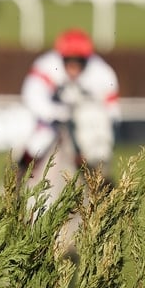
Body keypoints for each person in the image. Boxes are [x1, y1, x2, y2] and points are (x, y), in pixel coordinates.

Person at [16, 27, 121, 187]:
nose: (73, 67)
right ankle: (19, 177)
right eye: (69, 60)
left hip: (84, 120)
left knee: (97, 148)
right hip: (52, 120)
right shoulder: (46, 66)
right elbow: (33, 97)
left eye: (79, 61)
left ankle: (100, 184)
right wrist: (56, 113)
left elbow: (111, 110)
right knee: (39, 141)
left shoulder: (102, 72)